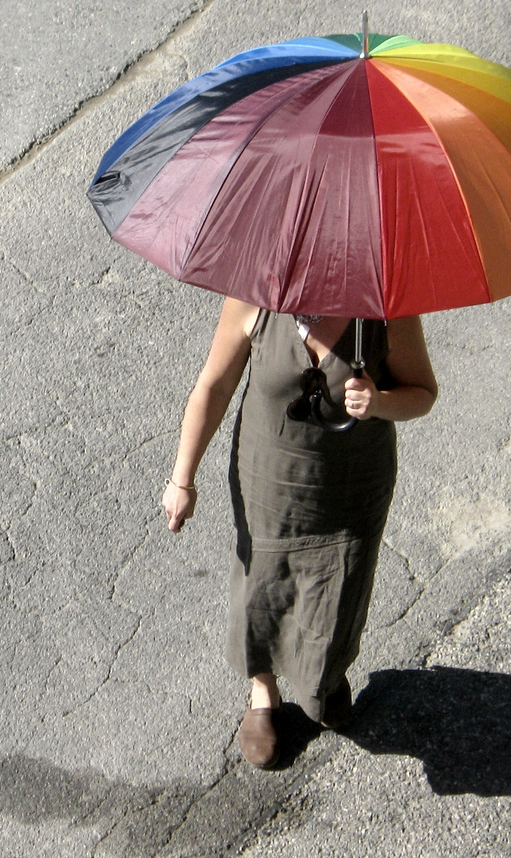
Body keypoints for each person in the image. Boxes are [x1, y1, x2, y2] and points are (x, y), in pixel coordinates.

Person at [160, 298, 438, 769]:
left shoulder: (388, 308)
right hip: (270, 481)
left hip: (352, 491)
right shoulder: (254, 296)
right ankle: (262, 691)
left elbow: (423, 393)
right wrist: (181, 479)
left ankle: (324, 678)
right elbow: (214, 384)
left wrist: (380, 402)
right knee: (262, 589)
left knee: (338, 594)